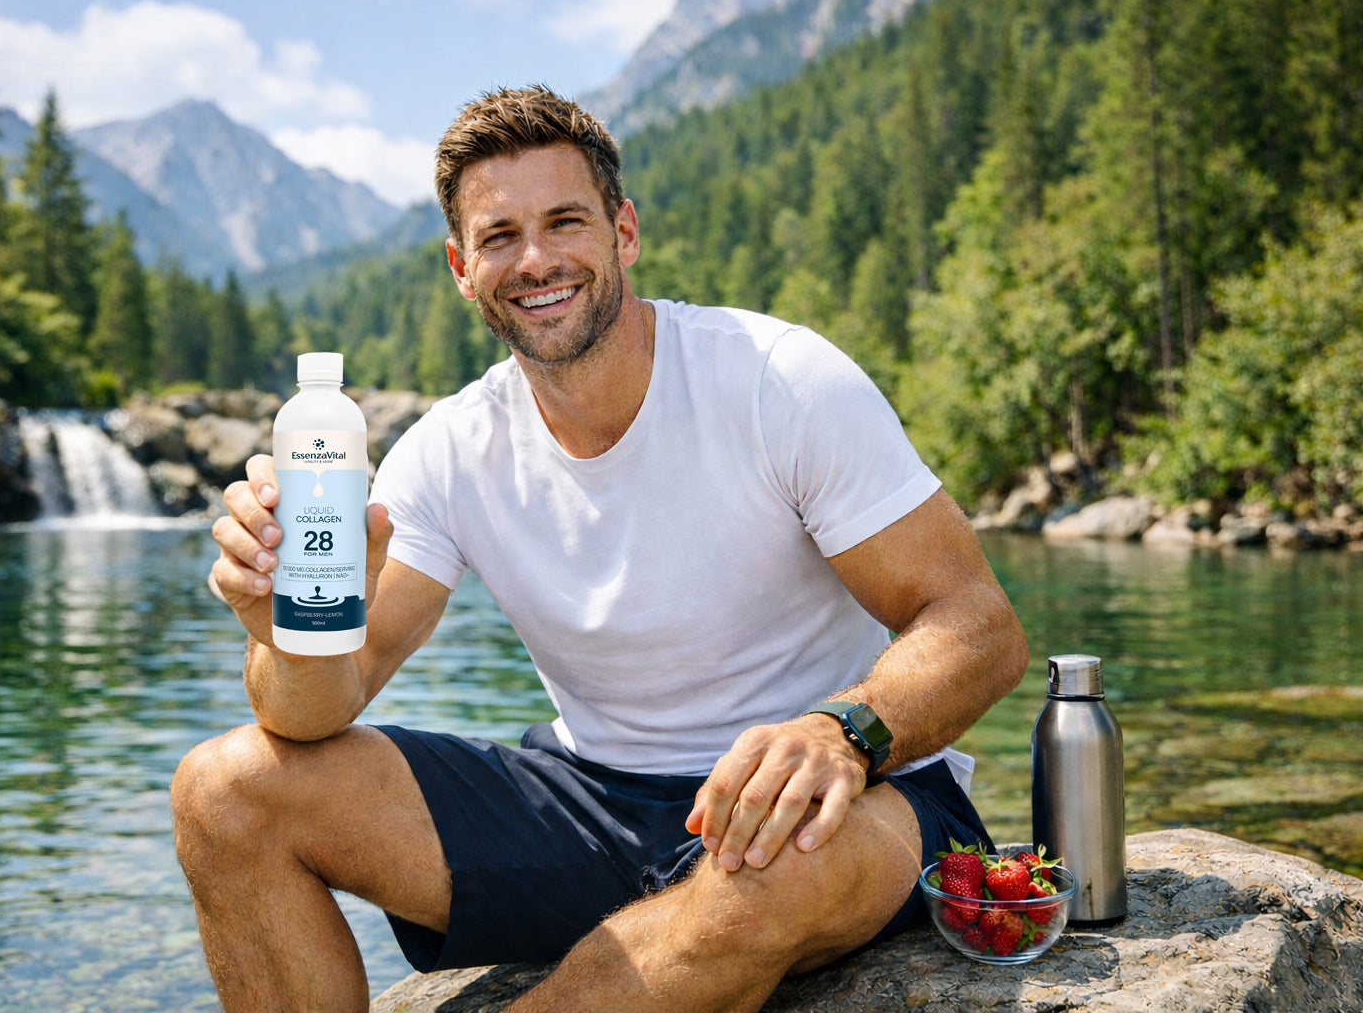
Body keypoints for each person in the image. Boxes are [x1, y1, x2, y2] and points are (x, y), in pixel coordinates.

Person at [174, 85, 1028, 1013]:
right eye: (499, 236)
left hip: (844, 795)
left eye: (565, 221)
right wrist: (282, 628)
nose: (535, 259)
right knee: (226, 790)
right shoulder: (450, 450)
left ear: (623, 232)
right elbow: (314, 714)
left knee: (767, 886)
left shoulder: (778, 381)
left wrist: (843, 730)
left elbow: (979, 625)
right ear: (463, 268)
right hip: (594, 803)